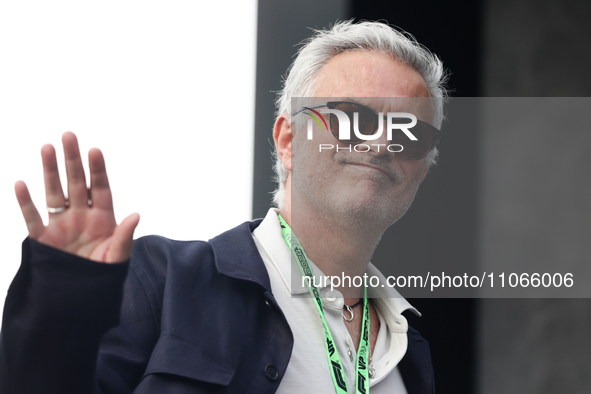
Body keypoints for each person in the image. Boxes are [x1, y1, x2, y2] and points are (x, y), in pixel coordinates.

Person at [0, 20, 446, 394]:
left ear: (422, 170)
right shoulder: (161, 282)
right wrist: (61, 307)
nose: (382, 142)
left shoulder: (411, 353)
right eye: (354, 118)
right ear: (288, 140)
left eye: (409, 133)